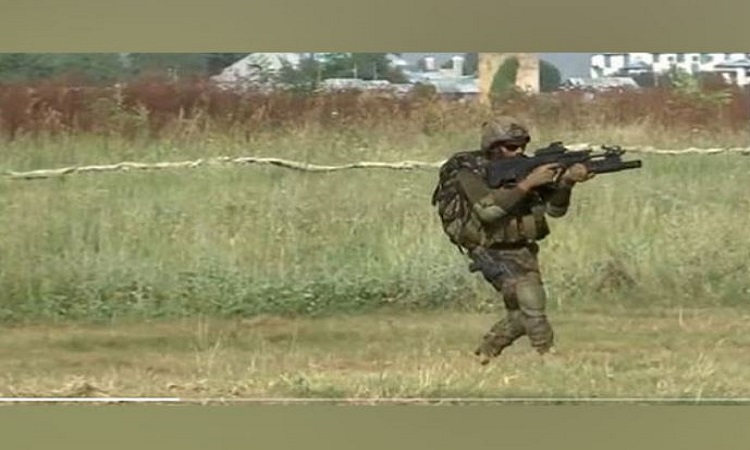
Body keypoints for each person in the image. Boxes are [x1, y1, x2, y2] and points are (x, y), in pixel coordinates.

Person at [431, 116, 594, 365]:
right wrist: (528, 184)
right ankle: (548, 356)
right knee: (532, 300)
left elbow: (556, 211)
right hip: (489, 248)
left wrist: (567, 183)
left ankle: (486, 351)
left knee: (522, 315)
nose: (518, 152)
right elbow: (489, 211)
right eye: (510, 147)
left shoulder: (527, 169)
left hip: (523, 248)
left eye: (521, 146)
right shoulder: (470, 172)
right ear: (493, 147)